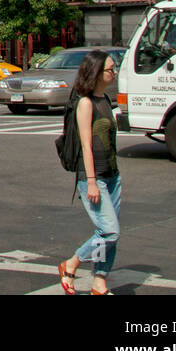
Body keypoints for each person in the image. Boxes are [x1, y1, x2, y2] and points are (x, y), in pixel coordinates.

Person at [59, 50, 122, 295]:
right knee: (109, 231)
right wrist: (92, 182)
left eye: (114, 68)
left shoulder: (105, 99)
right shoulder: (85, 103)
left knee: (111, 234)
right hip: (93, 178)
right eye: (110, 69)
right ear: (96, 73)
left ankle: (99, 282)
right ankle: (72, 263)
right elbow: (86, 145)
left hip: (113, 175)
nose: (114, 73)